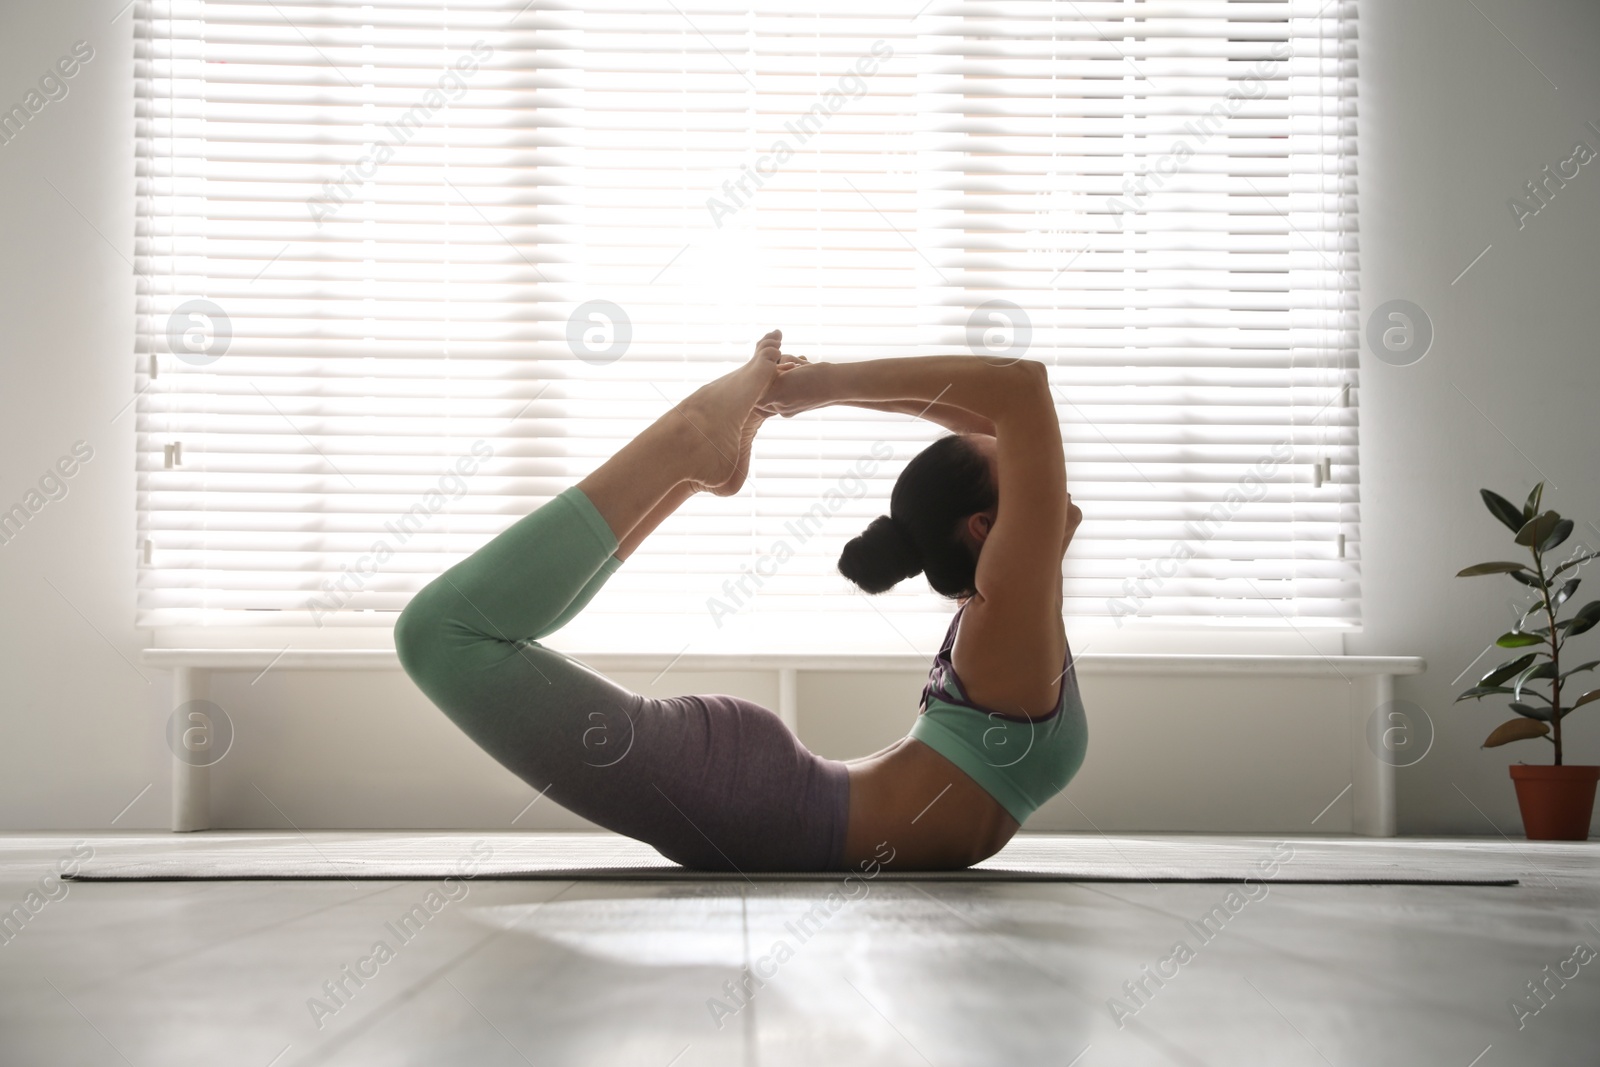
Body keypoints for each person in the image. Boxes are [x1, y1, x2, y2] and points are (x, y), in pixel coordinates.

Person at [394, 330, 1086, 871]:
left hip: (761, 795)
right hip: (760, 799)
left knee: (445, 636)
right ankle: (687, 446)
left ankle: (694, 459)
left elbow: (1010, 406)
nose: (1032, 469)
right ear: (985, 529)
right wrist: (814, 388)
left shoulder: (1008, 612)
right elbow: (1016, 398)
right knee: (441, 635)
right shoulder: (1005, 613)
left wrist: (815, 389)